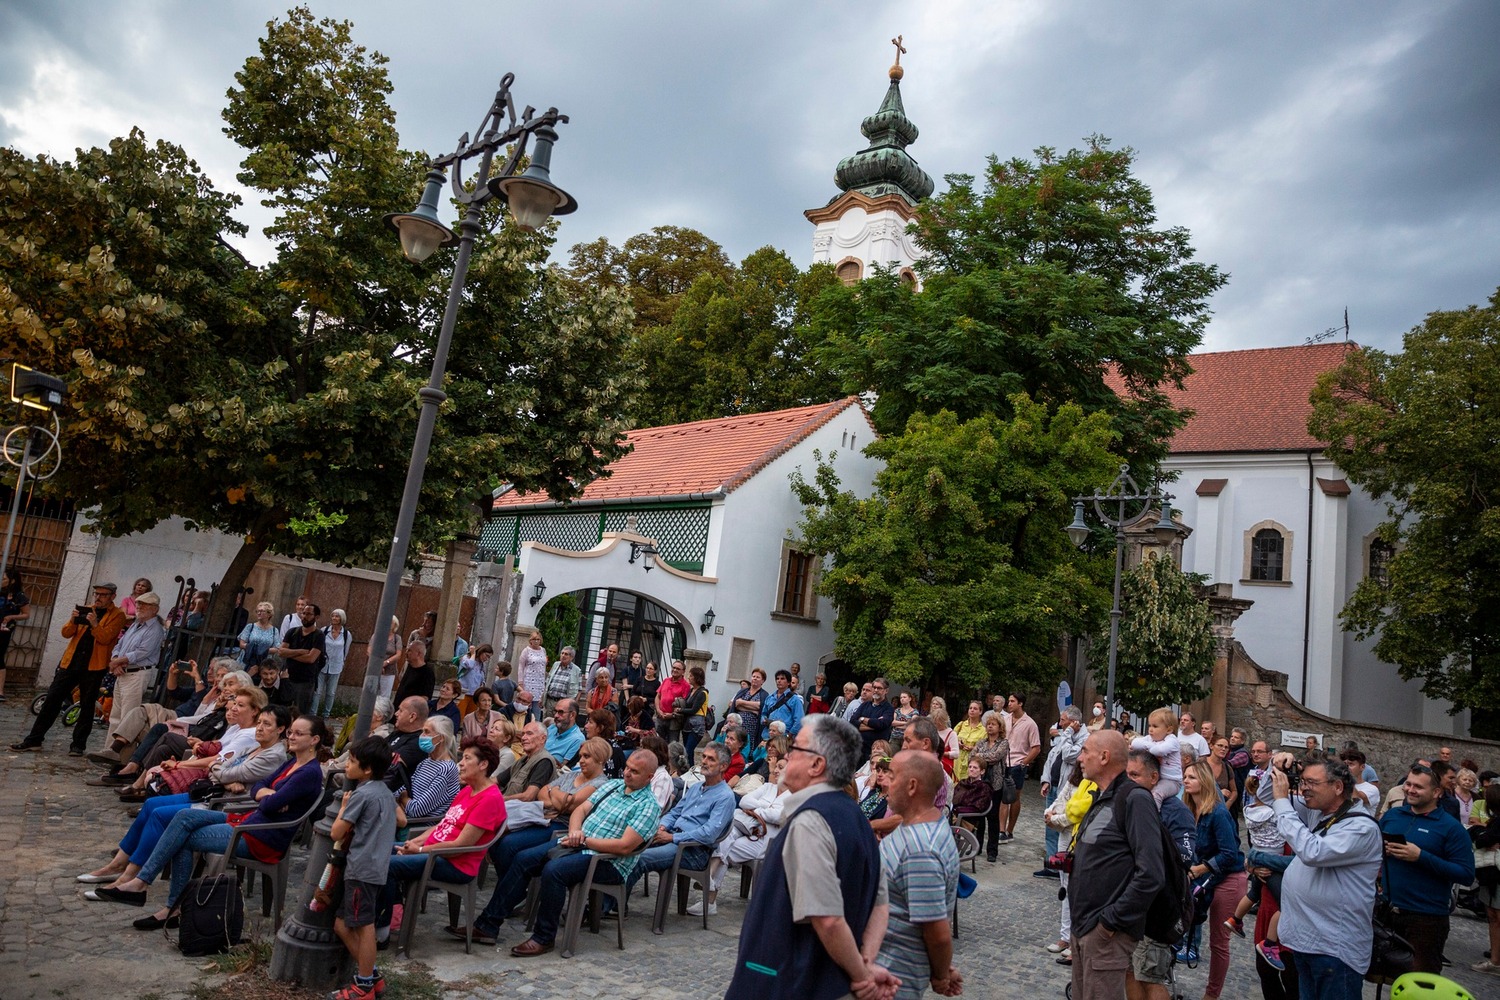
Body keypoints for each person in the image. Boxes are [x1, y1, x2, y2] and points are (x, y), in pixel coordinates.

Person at [724, 714, 896, 1000]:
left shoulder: (811, 821)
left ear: (817, 764)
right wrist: (865, 959)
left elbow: (827, 919)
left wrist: (861, 975)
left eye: (796, 749)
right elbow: (881, 905)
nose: (787, 754)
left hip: (788, 982)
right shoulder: (855, 815)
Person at [99, 714, 330, 924]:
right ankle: (148, 888)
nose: (292, 737)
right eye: (291, 732)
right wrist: (267, 794)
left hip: (260, 837)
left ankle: (163, 901)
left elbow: (269, 803)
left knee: (184, 837)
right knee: (184, 817)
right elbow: (259, 789)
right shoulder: (293, 762)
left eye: (299, 734)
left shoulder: (308, 773)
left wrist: (268, 796)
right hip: (249, 821)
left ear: (314, 740)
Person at [505, 749, 663, 957]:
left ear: (649, 777)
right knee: (523, 857)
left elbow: (625, 846)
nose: (627, 773)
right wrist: (575, 832)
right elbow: (580, 810)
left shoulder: (648, 805)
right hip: (578, 843)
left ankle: (543, 937)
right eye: (627, 768)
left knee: (555, 870)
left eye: (634, 771)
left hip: (609, 862)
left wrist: (585, 840)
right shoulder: (613, 786)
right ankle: (489, 923)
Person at [1268, 753, 1383, 996]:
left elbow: (1313, 851)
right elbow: (1270, 801)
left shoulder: (1361, 827)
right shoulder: (1321, 813)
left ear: (1338, 787)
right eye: (1303, 781)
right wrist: (1278, 764)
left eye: (1312, 783)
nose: (1304, 789)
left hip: (1334, 950)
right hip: (1309, 943)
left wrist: (1281, 800)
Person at [376, 736, 505, 947]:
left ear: (483, 765)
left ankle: (381, 933)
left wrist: (420, 850)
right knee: (377, 851)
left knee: (386, 865)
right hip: (434, 853)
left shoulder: (489, 799)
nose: (460, 764)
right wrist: (414, 843)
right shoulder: (467, 791)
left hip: (455, 864)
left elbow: (461, 846)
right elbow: (443, 825)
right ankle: (389, 910)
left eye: (467, 759)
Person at [1068, 730, 1166, 1000]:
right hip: (1085, 928)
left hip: (1105, 934)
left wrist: (1109, 923)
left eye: (1085, 751)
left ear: (1104, 757)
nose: (1080, 758)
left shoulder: (1135, 799)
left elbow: (1151, 874)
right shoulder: (1103, 796)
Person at [875, 749, 963, 999]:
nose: (884, 781)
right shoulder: (914, 827)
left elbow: (936, 932)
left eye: (891, 776)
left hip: (891, 979)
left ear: (912, 786)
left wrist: (941, 975)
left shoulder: (921, 848)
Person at [1379, 763, 1475, 973]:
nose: (1410, 790)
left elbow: (1466, 875)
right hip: (1386, 913)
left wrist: (1421, 857)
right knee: (1381, 980)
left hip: (1426, 920)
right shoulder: (1393, 816)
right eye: (1408, 784)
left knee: (1418, 986)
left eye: (1418, 787)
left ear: (1436, 792)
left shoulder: (1452, 828)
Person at [13, 582, 127, 755]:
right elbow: (66, 633)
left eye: (103, 595)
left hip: (94, 666)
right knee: (52, 699)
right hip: (71, 662)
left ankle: (78, 746)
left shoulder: (118, 615)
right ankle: (34, 740)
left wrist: (95, 624)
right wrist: (73, 620)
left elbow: (106, 638)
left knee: (87, 706)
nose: (98, 598)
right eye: (96, 594)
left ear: (112, 596)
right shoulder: (86, 609)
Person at [328, 736, 399, 1000]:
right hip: (376, 867)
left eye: (353, 761)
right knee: (341, 924)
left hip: (361, 868)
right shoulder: (385, 793)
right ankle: (373, 976)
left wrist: (344, 808)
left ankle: (364, 985)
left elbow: (337, 831)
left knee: (364, 925)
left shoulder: (362, 794)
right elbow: (401, 820)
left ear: (367, 769)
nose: (347, 765)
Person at [1124, 750, 1196, 1000]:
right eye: (1126, 774)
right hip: (1134, 908)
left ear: (1154, 777)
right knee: (1130, 972)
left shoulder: (1175, 810)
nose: (1129, 780)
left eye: (1135, 775)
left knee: (1151, 977)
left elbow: (1185, 858)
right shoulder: (1128, 803)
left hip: (1159, 909)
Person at [624, 741, 736, 896]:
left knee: (639, 858)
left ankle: (610, 906)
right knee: (627, 848)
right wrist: (662, 826)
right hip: (673, 837)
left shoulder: (725, 796)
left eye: (711, 759)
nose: (704, 761)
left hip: (694, 850)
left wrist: (672, 837)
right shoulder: (696, 787)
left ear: (723, 767)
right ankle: (612, 904)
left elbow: (709, 833)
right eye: (703, 757)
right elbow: (675, 812)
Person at [1182, 757, 1246, 1000]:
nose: (1186, 781)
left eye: (1192, 777)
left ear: (1205, 781)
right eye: (1185, 777)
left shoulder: (1217, 811)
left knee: (1218, 942)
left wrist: (1201, 869)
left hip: (1228, 878)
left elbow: (1230, 854)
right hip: (1205, 876)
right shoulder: (1189, 809)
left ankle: (1211, 995)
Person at [104, 591, 165, 748]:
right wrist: (116, 662)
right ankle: (108, 749)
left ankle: (120, 753)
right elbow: (119, 644)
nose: (139, 607)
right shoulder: (135, 625)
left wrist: (117, 662)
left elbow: (142, 652)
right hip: (123, 672)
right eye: (138, 604)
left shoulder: (155, 629)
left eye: (144, 604)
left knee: (128, 717)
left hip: (137, 673)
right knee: (115, 715)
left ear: (155, 609)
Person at [1037, 705, 1086, 878]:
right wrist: (1046, 780)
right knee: (1049, 824)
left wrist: (1067, 734)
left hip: (1068, 789)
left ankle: (1062, 864)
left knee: (1062, 827)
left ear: (1073, 722)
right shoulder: (1064, 734)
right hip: (1054, 786)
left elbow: (1067, 755)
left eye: (1063, 720)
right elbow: (1052, 757)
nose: (1060, 723)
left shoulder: (1083, 738)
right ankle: (1052, 863)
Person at [272, 601, 325, 714]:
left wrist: (290, 653)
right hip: (288, 677)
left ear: (316, 617)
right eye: (303, 613)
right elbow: (281, 652)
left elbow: (311, 658)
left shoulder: (319, 635)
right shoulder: (292, 632)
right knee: (282, 711)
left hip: (305, 681)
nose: (305, 616)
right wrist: (300, 651)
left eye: (309, 614)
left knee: (299, 712)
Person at [969, 713, 1010, 861]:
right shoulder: (981, 742)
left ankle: (992, 851)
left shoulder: (1003, 743)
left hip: (995, 784)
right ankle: (977, 846)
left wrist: (981, 757)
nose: (990, 726)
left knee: (993, 817)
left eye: (993, 724)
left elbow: (996, 756)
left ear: (1000, 727)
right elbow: (972, 757)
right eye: (988, 724)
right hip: (980, 784)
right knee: (978, 816)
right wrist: (981, 757)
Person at [1001, 693, 1040, 841]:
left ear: (1020, 703)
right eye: (1009, 701)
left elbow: (1036, 747)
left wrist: (1024, 763)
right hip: (1003, 761)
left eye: (1012, 701)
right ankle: (1001, 830)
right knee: (1002, 797)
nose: (1009, 704)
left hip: (1018, 763)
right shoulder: (1005, 720)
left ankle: (1010, 829)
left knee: (1014, 797)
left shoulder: (1030, 723)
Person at [1470, 783, 1500, 977]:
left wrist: (1481, 834)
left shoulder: (1497, 822)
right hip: (1494, 875)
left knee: (1495, 917)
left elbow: (1482, 840)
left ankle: (1495, 960)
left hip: (1495, 874)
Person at [1130, 708, 1184, 806]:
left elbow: (1160, 751)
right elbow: (1134, 743)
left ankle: (1153, 815)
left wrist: (1148, 746)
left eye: (1155, 726)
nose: (1150, 729)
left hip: (1171, 781)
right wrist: (1150, 745)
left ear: (1169, 730)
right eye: (1149, 725)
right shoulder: (1151, 739)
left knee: (1156, 794)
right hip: (1156, 778)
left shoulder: (1172, 740)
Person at [0, 565, 32, 702]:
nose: (1, 580)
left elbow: (26, 615)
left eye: (4, 578)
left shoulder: (19, 596)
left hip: (4, 629)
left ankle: (0, 691)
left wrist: (11, 617)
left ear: (12, 580)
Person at [313, 609, 352, 717]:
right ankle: (313, 714)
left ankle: (326, 714)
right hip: (322, 665)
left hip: (336, 666)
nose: (334, 618)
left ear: (342, 619)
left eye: (337, 616)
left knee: (330, 693)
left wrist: (342, 662)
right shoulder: (324, 630)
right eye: (333, 616)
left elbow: (345, 651)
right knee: (317, 692)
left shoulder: (346, 635)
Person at [851, 677, 896, 763]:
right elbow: (852, 721)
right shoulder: (865, 705)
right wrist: (873, 726)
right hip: (859, 749)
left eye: (879, 688)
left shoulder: (888, 708)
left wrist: (862, 719)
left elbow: (882, 724)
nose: (875, 690)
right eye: (874, 687)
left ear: (886, 691)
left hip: (877, 752)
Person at [762, 668, 806, 742]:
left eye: (782, 679)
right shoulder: (770, 698)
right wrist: (764, 720)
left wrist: (789, 735)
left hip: (783, 738)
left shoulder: (795, 699)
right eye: (777, 679)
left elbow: (799, 720)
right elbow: (763, 714)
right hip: (767, 736)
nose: (779, 681)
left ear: (788, 682)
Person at [654, 658, 692, 743]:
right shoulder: (666, 680)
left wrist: (671, 715)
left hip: (674, 721)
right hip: (660, 717)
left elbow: (684, 705)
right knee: (658, 743)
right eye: (673, 667)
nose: (674, 670)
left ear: (683, 671)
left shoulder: (686, 686)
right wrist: (658, 710)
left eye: (678, 669)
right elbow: (657, 696)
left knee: (672, 745)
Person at [733, 668, 771, 749]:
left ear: (763, 680)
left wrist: (742, 702)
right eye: (753, 676)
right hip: (739, 727)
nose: (755, 678)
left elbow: (760, 706)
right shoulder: (743, 691)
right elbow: (736, 704)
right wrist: (753, 710)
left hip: (753, 729)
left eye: (758, 677)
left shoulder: (764, 695)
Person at [542, 645, 582, 716]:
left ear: (572, 657)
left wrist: (573, 705)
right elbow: (547, 682)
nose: (563, 655)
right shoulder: (555, 665)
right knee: (547, 723)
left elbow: (579, 690)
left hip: (563, 703)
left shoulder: (576, 670)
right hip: (550, 701)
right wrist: (542, 698)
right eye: (562, 653)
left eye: (566, 654)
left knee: (560, 724)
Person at [393, 638, 434, 704]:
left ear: (419, 654)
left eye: (409, 651)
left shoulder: (427, 673)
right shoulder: (409, 666)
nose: (406, 653)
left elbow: (424, 698)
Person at [545, 698, 585, 763]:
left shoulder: (577, 739)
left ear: (572, 715)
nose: (556, 715)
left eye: (561, 712)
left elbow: (565, 768)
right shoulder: (552, 728)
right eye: (555, 711)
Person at [953, 700, 985, 777]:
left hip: (971, 763)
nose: (972, 710)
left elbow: (984, 749)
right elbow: (951, 740)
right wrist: (957, 743)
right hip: (957, 762)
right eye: (970, 708)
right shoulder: (961, 725)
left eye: (975, 708)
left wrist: (973, 748)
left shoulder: (984, 730)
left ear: (980, 712)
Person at [516, 629, 548, 700]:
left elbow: (543, 665)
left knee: (537, 705)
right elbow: (521, 667)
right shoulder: (526, 650)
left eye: (538, 639)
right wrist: (520, 683)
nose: (536, 641)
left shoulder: (543, 650)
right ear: (530, 640)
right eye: (534, 639)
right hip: (528, 681)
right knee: (526, 701)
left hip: (540, 681)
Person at [379, 617, 403, 700]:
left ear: (395, 625)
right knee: (370, 691)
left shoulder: (397, 638)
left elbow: (398, 654)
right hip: (375, 667)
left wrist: (386, 662)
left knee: (385, 696)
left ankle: (381, 712)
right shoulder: (378, 635)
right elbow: (370, 650)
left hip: (389, 670)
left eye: (391, 622)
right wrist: (379, 664)